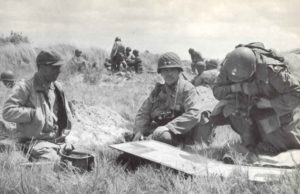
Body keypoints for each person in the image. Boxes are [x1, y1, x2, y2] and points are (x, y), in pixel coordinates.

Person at [211, 42, 300, 158]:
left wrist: (270, 104)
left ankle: (268, 141)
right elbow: (217, 91)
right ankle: (250, 143)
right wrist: (236, 87)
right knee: (230, 108)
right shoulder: (229, 65)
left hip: (274, 107)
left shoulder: (272, 70)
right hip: (246, 103)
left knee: (285, 143)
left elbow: (296, 93)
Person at [2, 50, 73, 161]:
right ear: (42, 67)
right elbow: (7, 112)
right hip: (32, 141)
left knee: (85, 159)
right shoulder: (25, 87)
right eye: (55, 67)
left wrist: (65, 138)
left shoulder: (57, 88)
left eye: (59, 67)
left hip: (55, 140)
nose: (59, 71)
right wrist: (32, 113)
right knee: (54, 161)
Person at [133, 52, 213, 146]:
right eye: (165, 70)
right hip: (166, 130)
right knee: (140, 136)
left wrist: (169, 127)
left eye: (172, 70)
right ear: (161, 73)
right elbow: (143, 113)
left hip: (186, 132)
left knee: (162, 137)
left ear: (179, 71)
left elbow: (194, 114)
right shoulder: (158, 91)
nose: (169, 74)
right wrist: (139, 131)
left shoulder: (187, 89)